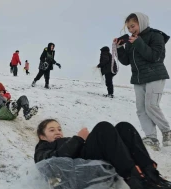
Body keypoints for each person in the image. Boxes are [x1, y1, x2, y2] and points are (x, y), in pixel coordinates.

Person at [34, 119, 171, 189]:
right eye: (52, 130)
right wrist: (79, 139)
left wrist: (83, 141)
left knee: (124, 127)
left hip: (86, 161)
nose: (58, 132)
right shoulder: (42, 148)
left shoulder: (66, 141)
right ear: (42, 136)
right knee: (103, 128)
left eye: (59, 129)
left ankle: (152, 174)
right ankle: (135, 179)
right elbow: (55, 161)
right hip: (79, 173)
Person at [114, 12, 171, 150]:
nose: (131, 30)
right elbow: (126, 61)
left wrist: (138, 42)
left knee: (151, 105)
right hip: (138, 79)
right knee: (141, 109)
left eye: (133, 26)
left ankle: (167, 131)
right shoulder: (131, 41)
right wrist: (120, 47)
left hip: (155, 76)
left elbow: (155, 56)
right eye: (129, 28)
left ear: (141, 22)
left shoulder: (155, 35)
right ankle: (151, 137)